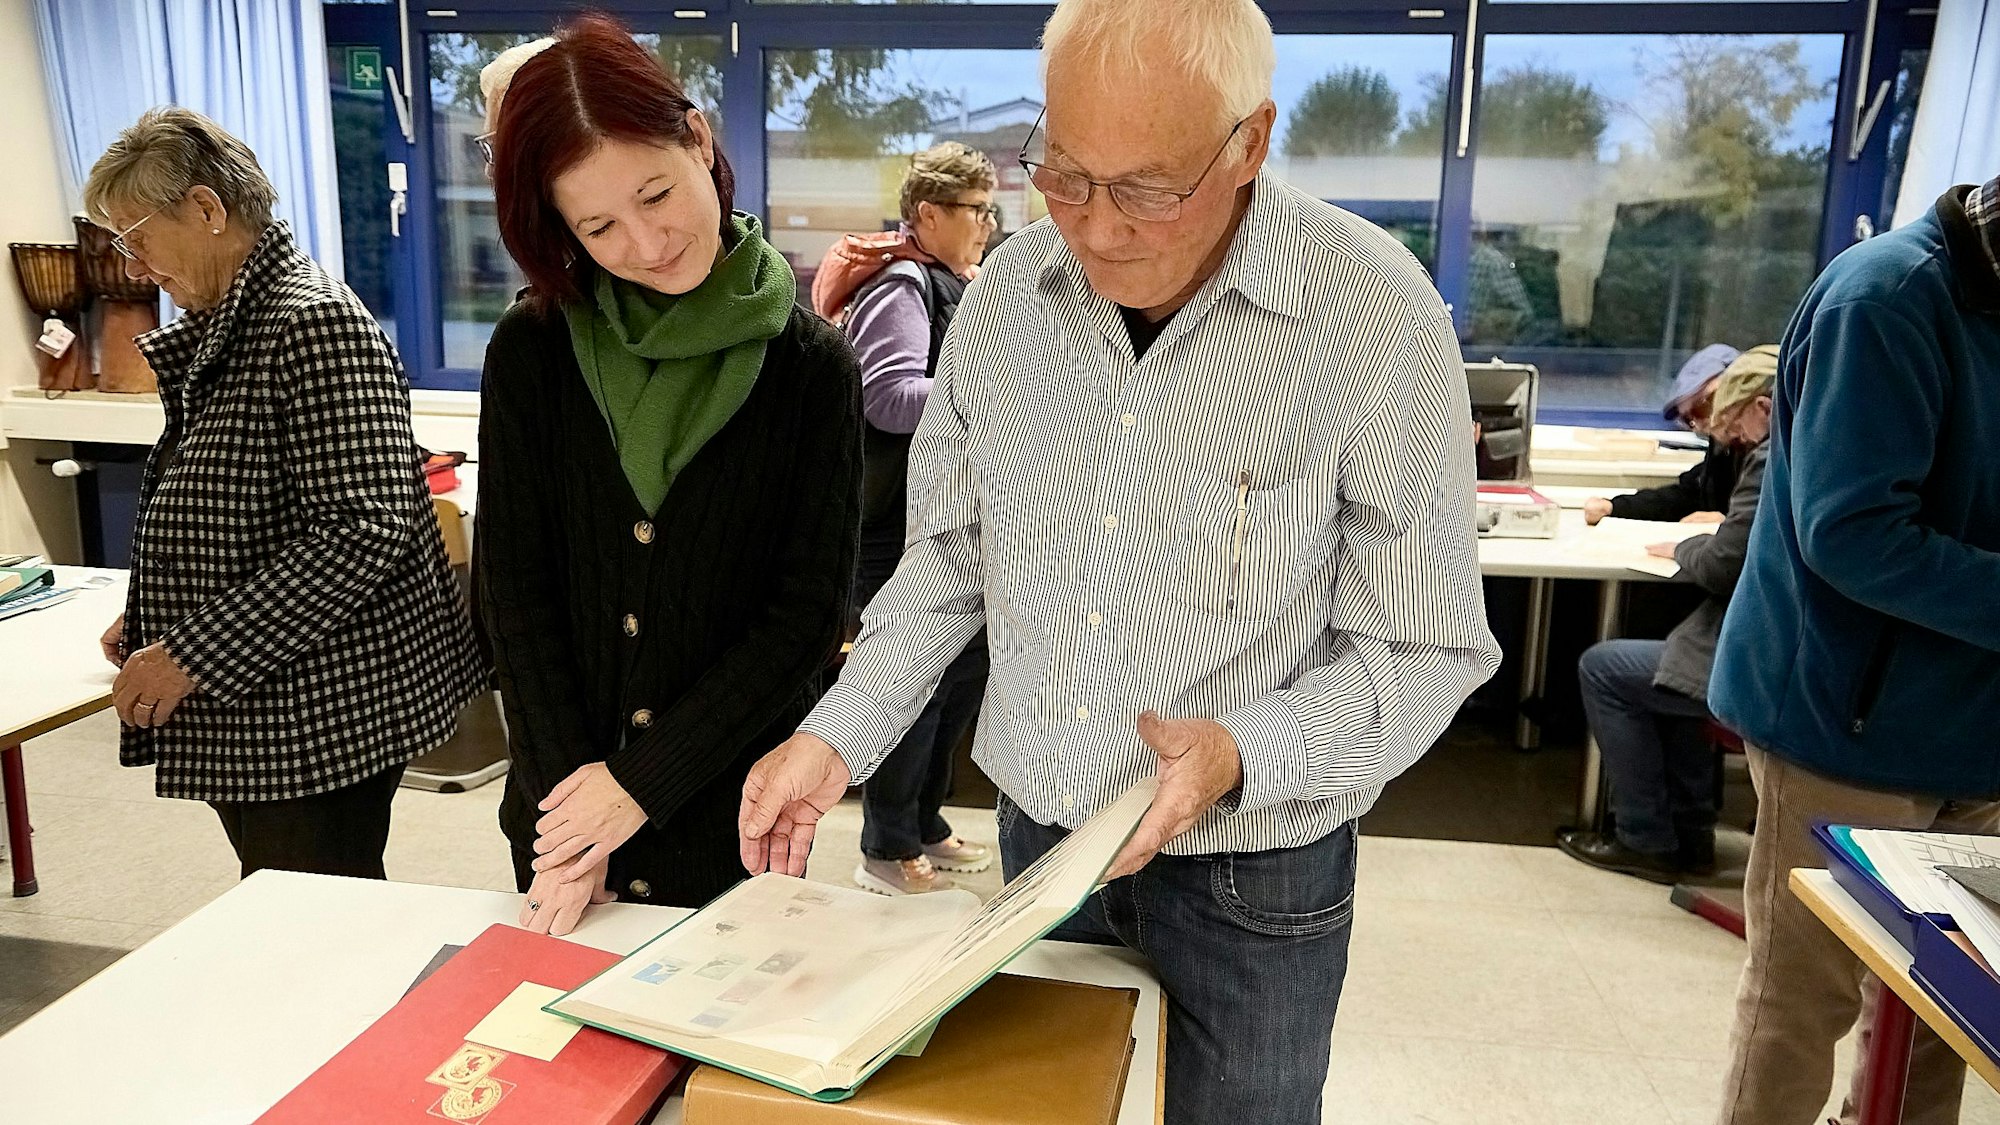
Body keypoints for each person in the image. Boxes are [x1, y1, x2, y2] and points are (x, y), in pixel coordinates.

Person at [738, 1, 1500, 1120]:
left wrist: (1242, 750)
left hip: (1253, 876)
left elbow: (1425, 642)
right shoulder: (1005, 300)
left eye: (1144, 187)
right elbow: (950, 558)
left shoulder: (1370, 316)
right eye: (1063, 174)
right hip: (1039, 846)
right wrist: (834, 735)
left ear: (1248, 141)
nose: (1094, 228)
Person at [478, 14, 862, 938]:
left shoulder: (810, 365)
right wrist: (575, 818)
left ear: (697, 140)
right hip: (564, 826)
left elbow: (805, 614)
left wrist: (637, 787)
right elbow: (514, 595)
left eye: (655, 194)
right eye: (599, 225)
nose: (647, 246)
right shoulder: (534, 350)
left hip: (732, 823)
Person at [83, 107, 484, 879]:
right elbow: (248, 507)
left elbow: (360, 529)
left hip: (319, 709)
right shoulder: (240, 321)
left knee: (317, 922)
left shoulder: (311, 322)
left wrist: (189, 653)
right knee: (292, 908)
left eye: (136, 239)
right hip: (276, 694)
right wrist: (157, 611)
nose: (134, 269)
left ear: (206, 209)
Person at [1708, 175, 2000, 1125]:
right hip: (1846, 720)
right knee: (1805, 1001)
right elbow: (1853, 533)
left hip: (1977, 721)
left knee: (1945, 1011)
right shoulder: (1886, 297)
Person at [836, 142, 1000, 896]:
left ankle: (925, 817)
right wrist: (999, 392)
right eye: (975, 210)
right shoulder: (901, 284)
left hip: (942, 520)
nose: (988, 225)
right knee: (913, 681)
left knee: (960, 674)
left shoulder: (948, 282)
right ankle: (886, 839)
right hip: (895, 528)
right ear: (928, 214)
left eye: (992, 209)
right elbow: (889, 396)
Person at [1557, 347, 1776, 882]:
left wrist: (1690, 546)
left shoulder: (1773, 460)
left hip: (1765, 656)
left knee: (1608, 670)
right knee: (1671, 664)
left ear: (1763, 407)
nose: (1721, 432)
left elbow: (1725, 562)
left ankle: (1645, 838)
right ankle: (1691, 833)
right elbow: (1691, 496)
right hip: (1775, 642)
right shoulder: (1809, 449)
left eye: (1723, 416)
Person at [1582, 344, 1742, 528]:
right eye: (1688, 418)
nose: (1700, 425)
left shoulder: (1770, 449)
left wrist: (1730, 525)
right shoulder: (1723, 450)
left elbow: (1775, 521)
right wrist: (1613, 507)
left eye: (1702, 407)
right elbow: (1686, 497)